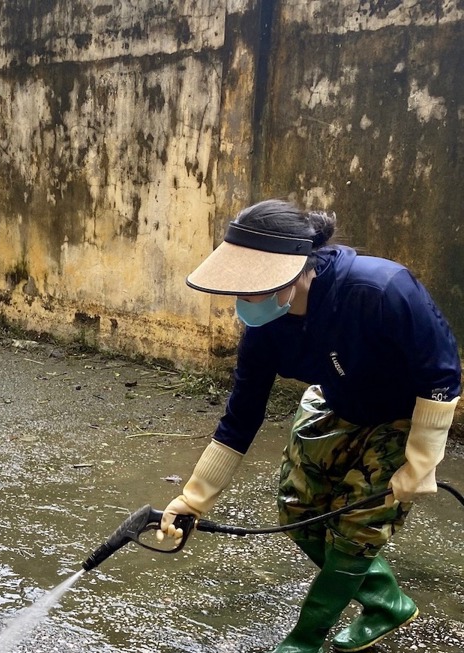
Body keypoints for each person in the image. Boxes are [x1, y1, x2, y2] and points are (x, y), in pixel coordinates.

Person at [158, 199, 460, 653]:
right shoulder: (265, 326)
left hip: (403, 414)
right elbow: (242, 413)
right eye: (241, 289)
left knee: (359, 526)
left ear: (301, 270)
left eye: (255, 287)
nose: (245, 301)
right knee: (300, 512)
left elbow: (442, 373)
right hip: (333, 400)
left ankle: (306, 637)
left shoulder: (381, 290)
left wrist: (421, 460)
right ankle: (386, 601)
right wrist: (193, 498)